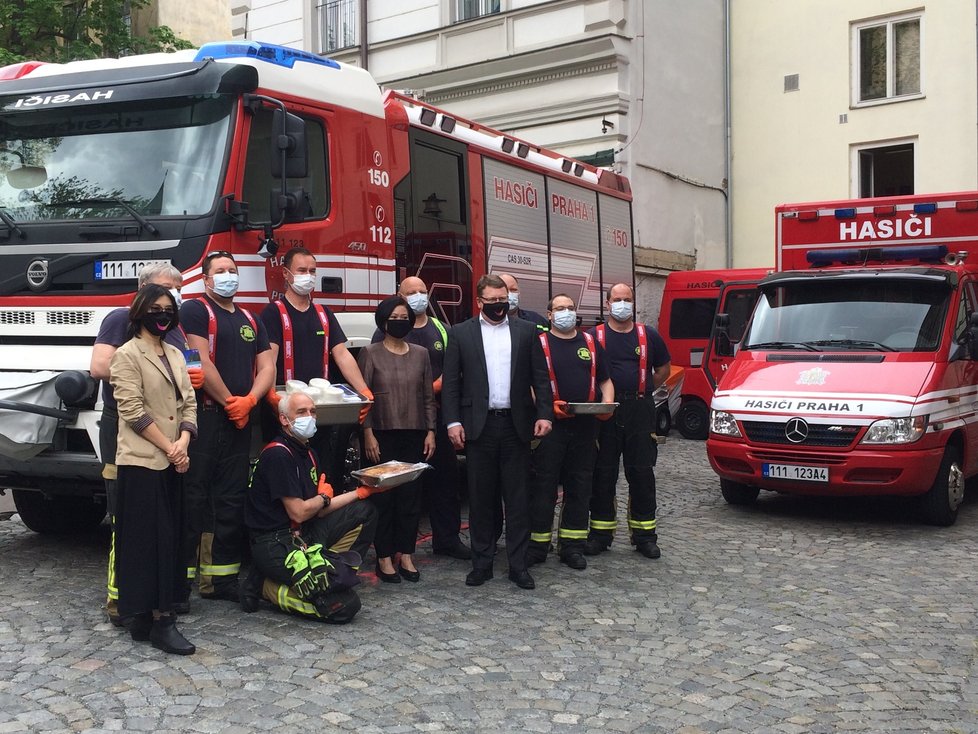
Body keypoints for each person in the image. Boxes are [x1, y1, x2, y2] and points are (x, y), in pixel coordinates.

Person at [90, 263, 203, 625]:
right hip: (130, 429)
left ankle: (165, 595)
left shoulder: (177, 333)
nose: (171, 298)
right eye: (163, 289)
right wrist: (144, 371)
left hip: (174, 433)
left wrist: (190, 375)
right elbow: (99, 366)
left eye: (177, 289)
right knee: (128, 517)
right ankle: (121, 599)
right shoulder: (120, 320)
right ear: (142, 291)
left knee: (169, 520)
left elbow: (192, 373)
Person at [442, 274, 553, 590]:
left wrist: (544, 413)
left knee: (517, 499)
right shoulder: (461, 333)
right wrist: (453, 422)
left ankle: (518, 566)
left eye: (502, 299)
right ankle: (482, 563)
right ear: (479, 301)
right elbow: (451, 383)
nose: (498, 306)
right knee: (480, 498)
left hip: (516, 425)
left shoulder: (527, 332)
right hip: (479, 426)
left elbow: (540, 379)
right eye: (492, 301)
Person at [179, 251, 276, 605]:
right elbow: (199, 359)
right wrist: (228, 401)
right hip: (206, 417)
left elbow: (267, 366)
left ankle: (221, 580)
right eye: (220, 271)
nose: (228, 276)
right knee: (193, 497)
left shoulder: (252, 318)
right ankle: (181, 580)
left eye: (232, 271)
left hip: (240, 419)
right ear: (206, 280)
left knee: (231, 499)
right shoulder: (195, 310)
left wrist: (249, 400)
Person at [109, 284, 197, 654]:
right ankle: (157, 619)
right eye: (156, 308)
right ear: (140, 311)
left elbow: (189, 402)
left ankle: (152, 615)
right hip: (143, 461)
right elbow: (132, 410)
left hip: (175, 458)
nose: (163, 315)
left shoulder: (176, 353)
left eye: (168, 309)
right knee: (147, 542)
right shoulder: (126, 355)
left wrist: (184, 443)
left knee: (173, 537)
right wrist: (169, 447)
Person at [241, 391, 379, 622]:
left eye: (313, 412)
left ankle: (328, 571)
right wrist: (323, 498)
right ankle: (266, 587)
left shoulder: (308, 453)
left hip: (302, 533)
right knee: (344, 605)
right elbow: (300, 511)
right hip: (275, 544)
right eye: (302, 412)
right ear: (284, 419)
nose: (310, 417)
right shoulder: (278, 454)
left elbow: (319, 510)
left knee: (366, 511)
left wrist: (362, 492)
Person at [370, 276, 470, 559]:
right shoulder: (387, 330)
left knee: (445, 480)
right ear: (399, 295)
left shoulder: (441, 328)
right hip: (399, 422)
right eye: (411, 292)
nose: (417, 296)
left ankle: (448, 540)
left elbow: (455, 369)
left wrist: (437, 392)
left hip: (436, 418)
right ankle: (398, 549)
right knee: (402, 487)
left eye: (422, 291)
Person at [259, 246, 373, 486]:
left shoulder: (324, 313)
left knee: (321, 468)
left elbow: (341, 354)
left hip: (319, 408)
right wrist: (269, 395)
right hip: (285, 407)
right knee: (287, 471)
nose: (308, 276)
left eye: (312, 270)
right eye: (301, 270)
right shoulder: (273, 313)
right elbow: (269, 357)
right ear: (286, 274)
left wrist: (363, 390)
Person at [527, 294, 615, 571]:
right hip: (550, 427)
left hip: (586, 427)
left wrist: (607, 406)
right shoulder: (539, 343)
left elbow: (605, 379)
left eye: (570, 308)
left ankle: (572, 546)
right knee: (543, 487)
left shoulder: (590, 343)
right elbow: (528, 383)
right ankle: (537, 545)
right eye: (560, 308)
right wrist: (544, 407)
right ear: (549, 314)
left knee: (580, 486)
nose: (566, 312)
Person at [587, 282, 671, 559]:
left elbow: (662, 370)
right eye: (617, 299)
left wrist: (641, 390)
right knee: (602, 473)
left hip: (640, 409)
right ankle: (600, 535)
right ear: (607, 303)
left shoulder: (649, 336)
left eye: (627, 299)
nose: (623, 304)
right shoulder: (593, 336)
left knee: (642, 473)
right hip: (606, 411)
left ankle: (645, 536)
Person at [358, 296, 437, 583]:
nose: (400, 321)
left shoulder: (421, 353)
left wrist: (431, 431)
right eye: (395, 317)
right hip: (381, 434)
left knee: (410, 498)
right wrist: (367, 433)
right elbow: (363, 398)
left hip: (414, 432)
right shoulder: (369, 352)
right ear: (383, 320)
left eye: (405, 317)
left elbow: (428, 396)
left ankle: (405, 553)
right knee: (384, 499)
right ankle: (383, 556)